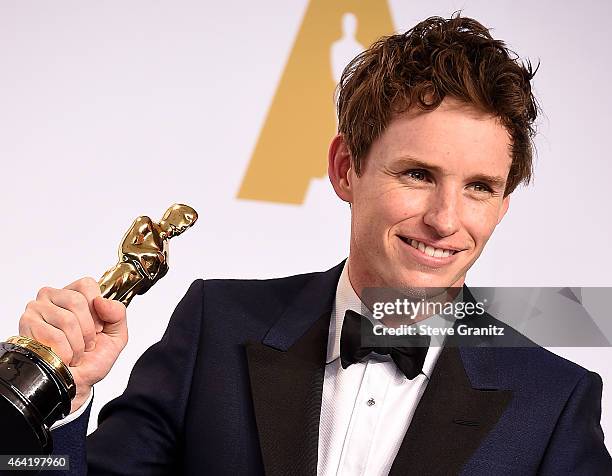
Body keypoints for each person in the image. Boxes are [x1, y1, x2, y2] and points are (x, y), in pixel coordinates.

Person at [19, 14, 611, 475]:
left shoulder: (554, 400)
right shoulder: (214, 328)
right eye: (418, 175)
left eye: (479, 188)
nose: (445, 219)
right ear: (345, 168)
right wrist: (59, 403)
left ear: (503, 206)